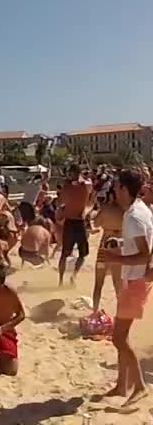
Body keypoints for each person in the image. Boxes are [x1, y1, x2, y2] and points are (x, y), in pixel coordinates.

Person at [97, 169, 153, 409]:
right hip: (134, 279)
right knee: (123, 335)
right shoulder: (137, 211)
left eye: (117, 186)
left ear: (124, 189)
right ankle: (122, 385)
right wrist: (120, 245)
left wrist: (115, 259)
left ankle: (139, 386)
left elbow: (143, 254)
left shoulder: (134, 216)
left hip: (135, 281)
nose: (114, 190)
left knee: (118, 337)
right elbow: (141, 246)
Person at [57, 164, 95, 286]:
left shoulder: (71, 186)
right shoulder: (83, 185)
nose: (69, 175)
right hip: (76, 222)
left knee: (76, 253)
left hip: (74, 222)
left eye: (70, 173)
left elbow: (61, 202)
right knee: (73, 254)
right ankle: (64, 279)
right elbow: (91, 199)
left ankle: (67, 278)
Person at [92, 185, 126, 314]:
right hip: (119, 246)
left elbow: (95, 223)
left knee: (98, 282)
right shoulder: (126, 209)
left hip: (105, 245)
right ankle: (121, 313)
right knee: (118, 284)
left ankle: (94, 311)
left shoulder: (106, 209)